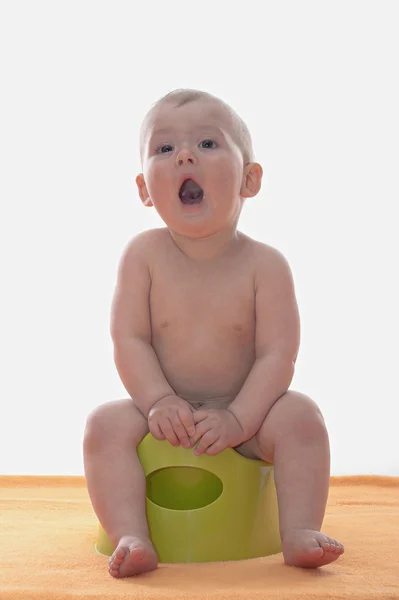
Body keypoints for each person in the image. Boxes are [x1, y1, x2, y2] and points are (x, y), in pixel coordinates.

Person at [83, 88, 344, 578]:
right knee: (103, 426)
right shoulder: (143, 256)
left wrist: (240, 419)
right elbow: (129, 340)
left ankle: (300, 530)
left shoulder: (266, 265)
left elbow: (276, 356)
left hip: (246, 416)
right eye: (165, 149)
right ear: (144, 189)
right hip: (160, 412)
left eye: (207, 144)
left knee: (302, 417)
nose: (183, 154)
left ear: (250, 179)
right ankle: (131, 535)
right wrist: (158, 401)